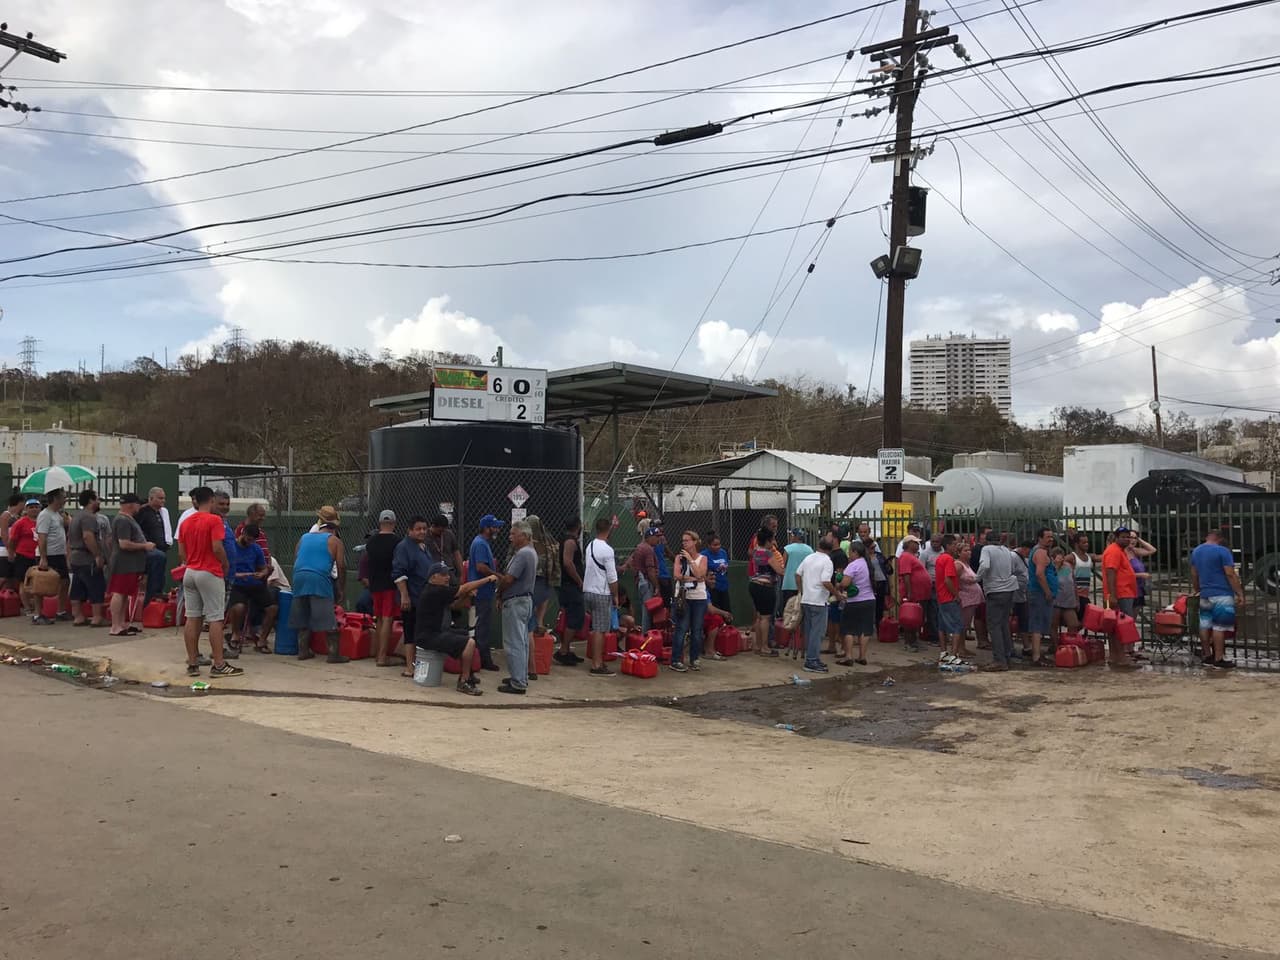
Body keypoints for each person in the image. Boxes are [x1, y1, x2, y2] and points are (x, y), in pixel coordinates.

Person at [177, 487, 242, 678]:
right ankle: (219, 664)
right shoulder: (215, 520)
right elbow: (217, 547)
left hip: (190, 571)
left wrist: (191, 561)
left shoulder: (186, 521)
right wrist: (225, 564)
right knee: (215, 618)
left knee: (192, 616)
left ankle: (193, 662)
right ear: (211, 500)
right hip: (209, 571)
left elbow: (182, 552)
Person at [415, 561, 498, 696]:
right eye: (443, 574)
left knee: (467, 635)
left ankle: (468, 674)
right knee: (469, 643)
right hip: (427, 637)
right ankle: (463, 682)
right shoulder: (434, 590)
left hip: (434, 632)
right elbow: (463, 588)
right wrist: (488, 579)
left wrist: (466, 596)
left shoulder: (436, 590)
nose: (447, 577)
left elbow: (455, 606)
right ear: (433, 577)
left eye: (447, 574)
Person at [289, 507, 348, 665]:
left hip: (299, 577)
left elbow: (296, 558)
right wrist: (341, 589)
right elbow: (341, 566)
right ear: (335, 527)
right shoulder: (335, 541)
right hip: (319, 578)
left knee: (303, 616)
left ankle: (303, 651)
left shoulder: (304, 537)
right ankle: (333, 654)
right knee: (328, 618)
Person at [1189, 529, 1243, 670]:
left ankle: (1207, 655)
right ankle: (1219, 658)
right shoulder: (1222, 551)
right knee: (1219, 627)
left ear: (1207, 537)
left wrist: (1198, 589)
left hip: (1205, 593)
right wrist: (1239, 593)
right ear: (1220, 538)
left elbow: (1194, 574)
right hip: (1222, 593)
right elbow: (1230, 574)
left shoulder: (1196, 551)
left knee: (1205, 624)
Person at [495, 520, 538, 695]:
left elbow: (509, 578)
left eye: (514, 534)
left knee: (514, 642)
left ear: (524, 535)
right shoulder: (531, 552)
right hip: (524, 600)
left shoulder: (523, 554)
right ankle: (520, 676)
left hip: (516, 600)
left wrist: (499, 592)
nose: (510, 537)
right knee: (521, 641)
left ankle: (518, 681)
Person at [107, 494, 154, 637]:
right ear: (130, 505)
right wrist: (144, 546)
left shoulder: (127, 520)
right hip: (124, 563)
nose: (139, 507)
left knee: (125, 593)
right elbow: (124, 543)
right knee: (119, 592)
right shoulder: (122, 521)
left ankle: (121, 624)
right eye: (138, 504)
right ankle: (115, 626)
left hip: (130, 564)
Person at [227, 523, 278, 653]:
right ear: (243, 533)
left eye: (253, 540)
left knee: (272, 608)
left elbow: (263, 567)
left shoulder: (256, 549)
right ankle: (235, 634)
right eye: (248, 539)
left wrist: (263, 573)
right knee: (239, 607)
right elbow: (225, 571)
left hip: (254, 584)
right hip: (237, 584)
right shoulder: (231, 547)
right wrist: (239, 575)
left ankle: (262, 640)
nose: (250, 543)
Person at [392, 516, 433, 677]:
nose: (422, 531)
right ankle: (410, 667)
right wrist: (405, 596)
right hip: (412, 598)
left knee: (420, 631)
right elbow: (398, 573)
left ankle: (418, 664)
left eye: (424, 528)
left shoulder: (423, 546)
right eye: (418, 529)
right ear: (410, 531)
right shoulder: (404, 547)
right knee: (410, 632)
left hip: (425, 598)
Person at [581, 516, 620, 677]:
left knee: (597, 627)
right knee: (600, 629)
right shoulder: (608, 550)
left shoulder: (590, 546)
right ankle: (597, 664)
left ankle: (597, 660)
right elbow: (612, 577)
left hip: (588, 590)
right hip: (601, 592)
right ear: (608, 529)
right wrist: (616, 595)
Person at [67, 489, 110, 628]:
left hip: (75, 557)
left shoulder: (75, 517)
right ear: (91, 500)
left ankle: (78, 616)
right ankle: (97, 618)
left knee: (77, 587)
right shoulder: (89, 517)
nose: (99, 502)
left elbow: (69, 539)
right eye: (97, 499)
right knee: (96, 586)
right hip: (87, 558)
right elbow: (88, 536)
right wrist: (97, 555)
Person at [794, 536, 837, 674]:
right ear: (830, 549)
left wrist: (802, 590)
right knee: (817, 633)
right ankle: (812, 660)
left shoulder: (809, 558)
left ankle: (812, 658)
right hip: (818, 600)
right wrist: (836, 593)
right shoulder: (827, 561)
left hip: (806, 599)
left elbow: (797, 574)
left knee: (809, 631)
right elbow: (825, 581)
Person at [364, 510, 402, 667]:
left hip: (375, 584)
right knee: (388, 618)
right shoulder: (398, 542)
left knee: (379, 617)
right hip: (390, 584)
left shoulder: (371, 542)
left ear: (380, 523)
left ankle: (378, 654)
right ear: (393, 523)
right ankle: (382, 657)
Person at [466, 514, 504, 672]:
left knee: (482, 625)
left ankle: (479, 656)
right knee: (483, 626)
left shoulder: (482, 542)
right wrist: (497, 575)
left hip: (483, 590)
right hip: (482, 591)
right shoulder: (481, 543)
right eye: (494, 527)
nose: (497, 530)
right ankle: (483, 659)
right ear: (486, 528)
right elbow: (481, 566)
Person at [977, 529, 1017, 672]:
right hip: (1009, 589)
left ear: (987, 540)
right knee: (1003, 624)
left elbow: (985, 566)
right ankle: (1007, 655)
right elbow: (1012, 568)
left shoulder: (986, 549)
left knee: (994, 626)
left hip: (995, 589)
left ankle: (999, 660)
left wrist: (977, 578)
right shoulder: (1006, 550)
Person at [669, 530, 709, 673]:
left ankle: (694, 659)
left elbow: (700, 574)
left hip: (699, 597)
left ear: (694, 542)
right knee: (681, 628)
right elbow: (677, 575)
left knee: (697, 630)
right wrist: (693, 578)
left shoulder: (702, 558)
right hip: (684, 597)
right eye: (683, 541)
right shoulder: (679, 558)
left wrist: (691, 561)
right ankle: (675, 660)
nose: (684, 543)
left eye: (687, 540)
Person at [837, 540, 876, 667]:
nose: (849, 555)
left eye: (850, 552)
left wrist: (839, 582)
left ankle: (849, 656)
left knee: (848, 629)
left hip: (854, 602)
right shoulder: (867, 564)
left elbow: (845, 584)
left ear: (855, 552)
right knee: (865, 629)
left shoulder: (853, 566)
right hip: (869, 600)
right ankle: (862, 656)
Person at [747, 527, 785, 658]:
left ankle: (758, 645)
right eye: (772, 539)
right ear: (768, 540)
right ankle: (764, 646)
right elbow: (779, 571)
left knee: (758, 616)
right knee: (765, 617)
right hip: (765, 587)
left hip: (754, 584)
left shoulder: (756, 551)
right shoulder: (768, 554)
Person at [35, 487, 71, 623]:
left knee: (64, 582)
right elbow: (42, 537)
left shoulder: (58, 514)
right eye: (63, 497)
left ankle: (60, 611)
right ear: (55, 499)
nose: (65, 500)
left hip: (59, 554)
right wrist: (43, 557)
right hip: (48, 554)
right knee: (42, 584)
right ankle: (38, 614)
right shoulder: (45, 515)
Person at [555, 518, 585, 667]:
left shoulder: (564, 539)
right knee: (576, 617)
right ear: (577, 527)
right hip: (570, 586)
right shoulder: (570, 541)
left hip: (566, 585)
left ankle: (565, 649)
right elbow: (568, 562)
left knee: (570, 618)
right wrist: (579, 581)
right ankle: (563, 651)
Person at [136, 487, 173, 604]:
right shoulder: (143, 512)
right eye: (160, 498)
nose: (163, 501)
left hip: (161, 549)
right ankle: (152, 595)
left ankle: (157, 593)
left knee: (160, 572)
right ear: (151, 498)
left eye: (164, 498)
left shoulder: (162, 512)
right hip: (147, 551)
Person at [1027, 527, 1057, 666]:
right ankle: (1036, 656)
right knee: (1038, 625)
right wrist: (1047, 591)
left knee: (1041, 623)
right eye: (1048, 537)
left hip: (1041, 593)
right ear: (1040, 538)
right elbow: (1040, 574)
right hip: (1039, 593)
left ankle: (1037, 654)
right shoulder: (1040, 552)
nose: (1051, 539)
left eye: (1052, 537)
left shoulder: (1044, 552)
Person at [896, 536, 931, 652]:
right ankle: (909, 642)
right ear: (909, 543)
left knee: (917, 618)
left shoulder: (912, 556)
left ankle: (914, 640)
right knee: (910, 618)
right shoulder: (906, 556)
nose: (918, 545)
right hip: (913, 594)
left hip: (920, 593)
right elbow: (906, 575)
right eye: (916, 543)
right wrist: (909, 592)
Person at [935, 535, 964, 665]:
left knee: (942, 626)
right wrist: (956, 595)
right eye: (954, 544)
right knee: (957, 626)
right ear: (948, 546)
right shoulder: (948, 559)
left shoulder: (940, 558)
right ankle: (954, 654)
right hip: (949, 597)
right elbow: (948, 579)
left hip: (941, 596)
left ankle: (943, 652)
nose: (955, 547)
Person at [9, 498, 40, 617]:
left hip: (38, 555)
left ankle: (36, 607)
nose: (34, 509)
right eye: (31, 507)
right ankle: (27, 608)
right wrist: (12, 552)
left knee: (37, 582)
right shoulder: (20, 523)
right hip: (23, 555)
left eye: (36, 507)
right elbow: (12, 540)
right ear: (26, 509)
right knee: (24, 582)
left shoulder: (42, 521)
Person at [627, 527, 662, 631]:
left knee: (646, 609)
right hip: (646, 582)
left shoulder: (639, 547)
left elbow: (631, 564)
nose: (658, 539)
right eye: (656, 536)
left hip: (640, 581)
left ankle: (645, 634)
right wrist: (656, 586)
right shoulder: (648, 549)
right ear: (649, 537)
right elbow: (650, 571)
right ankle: (646, 636)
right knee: (648, 610)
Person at [955, 541, 983, 660]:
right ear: (959, 553)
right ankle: (960, 649)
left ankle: (963, 647)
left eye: (969, 550)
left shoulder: (967, 564)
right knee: (962, 624)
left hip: (972, 599)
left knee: (965, 625)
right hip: (965, 599)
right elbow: (954, 580)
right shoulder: (958, 565)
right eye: (965, 551)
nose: (969, 552)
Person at [1068, 531, 1100, 620]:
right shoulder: (1072, 557)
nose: (1087, 544)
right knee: (1075, 622)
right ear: (1076, 544)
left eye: (1087, 542)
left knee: (1085, 621)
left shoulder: (1089, 557)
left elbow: (1103, 557)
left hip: (1085, 595)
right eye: (1084, 542)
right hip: (1075, 596)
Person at [1051, 547, 1081, 636]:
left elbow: (1073, 583)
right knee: (1054, 625)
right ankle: (1055, 646)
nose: (1061, 559)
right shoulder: (1050, 568)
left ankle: (1069, 645)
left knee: (1073, 624)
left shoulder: (1068, 567)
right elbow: (1051, 581)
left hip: (1069, 601)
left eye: (1062, 557)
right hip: (1055, 601)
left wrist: (1077, 599)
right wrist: (1056, 567)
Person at [780, 529, 813, 610]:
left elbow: (783, 565)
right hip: (804, 583)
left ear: (795, 536)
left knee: (789, 609)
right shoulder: (810, 550)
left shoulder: (788, 549)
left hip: (789, 583)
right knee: (802, 610)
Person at [424, 513, 464, 581]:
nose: (442, 533)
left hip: (449, 571)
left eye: (444, 530)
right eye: (440, 530)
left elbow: (456, 554)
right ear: (433, 526)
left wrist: (461, 574)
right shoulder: (425, 536)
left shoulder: (449, 534)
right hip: (434, 574)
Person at [1125, 529, 1157, 613]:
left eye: (1135, 538)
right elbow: (1122, 574)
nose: (1133, 540)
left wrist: (1139, 539)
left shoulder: (1134, 551)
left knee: (1133, 618)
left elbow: (1152, 550)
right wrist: (1140, 575)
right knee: (1127, 618)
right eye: (1130, 537)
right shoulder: (1121, 553)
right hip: (1128, 590)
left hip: (1139, 590)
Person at [700, 530, 730, 615]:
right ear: (709, 545)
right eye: (715, 545)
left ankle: (728, 627)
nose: (718, 547)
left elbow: (726, 565)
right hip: (712, 587)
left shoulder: (723, 552)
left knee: (727, 610)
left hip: (723, 586)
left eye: (719, 544)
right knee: (716, 613)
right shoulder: (703, 555)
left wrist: (724, 567)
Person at [0, 493, 21, 590]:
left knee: (12, 578)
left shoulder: (17, 516)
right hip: (5, 551)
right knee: (4, 577)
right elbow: (4, 534)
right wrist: (10, 551)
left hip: (15, 550)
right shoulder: (6, 515)